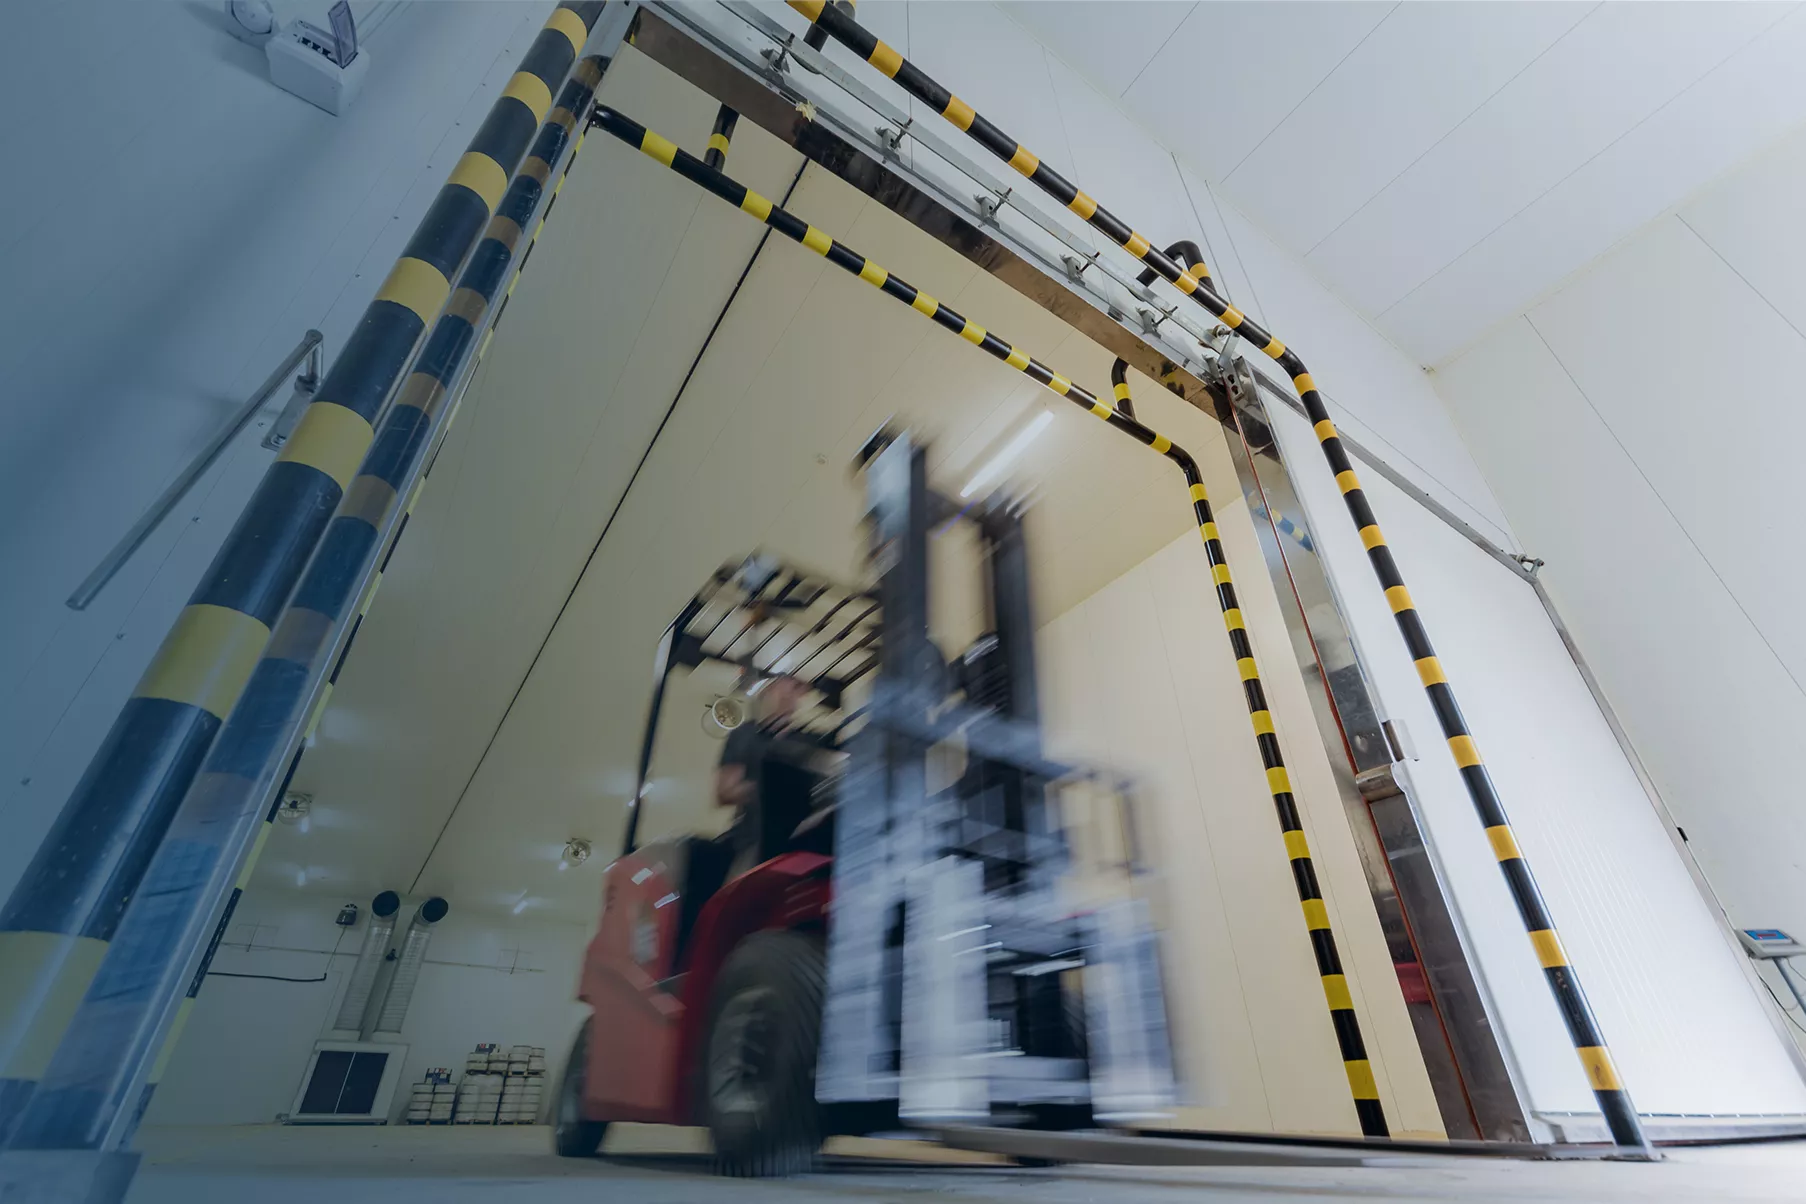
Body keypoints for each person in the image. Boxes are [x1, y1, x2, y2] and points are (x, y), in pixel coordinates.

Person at [715, 675, 812, 872]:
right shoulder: (746, 734)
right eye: (784, 688)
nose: (790, 696)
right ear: (768, 691)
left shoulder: (807, 742)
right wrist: (770, 786)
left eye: (795, 690)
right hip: (753, 842)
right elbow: (724, 792)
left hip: (799, 848)